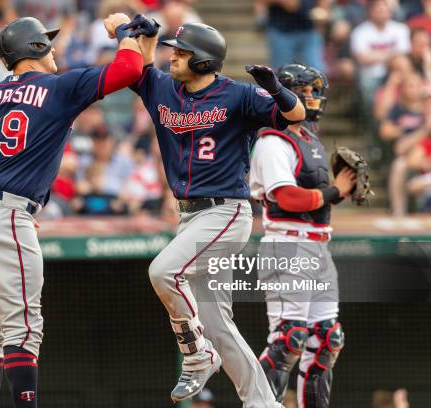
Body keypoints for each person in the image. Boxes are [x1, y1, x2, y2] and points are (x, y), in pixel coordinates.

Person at [0, 15, 143, 408]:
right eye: (47, 42)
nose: (54, 48)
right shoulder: (56, 87)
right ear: (34, 48)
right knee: (23, 330)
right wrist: (125, 31)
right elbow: (130, 67)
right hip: (5, 214)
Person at [128, 16, 305, 405]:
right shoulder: (163, 88)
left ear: (204, 61)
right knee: (217, 325)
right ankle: (263, 402)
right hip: (190, 217)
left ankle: (196, 354)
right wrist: (143, 34)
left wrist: (276, 89)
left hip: (225, 213)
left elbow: (296, 116)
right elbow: (135, 68)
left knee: (163, 271)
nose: (172, 56)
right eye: (172, 49)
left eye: (181, 52)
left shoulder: (238, 95)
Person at [249, 63, 354, 407]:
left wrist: (340, 190)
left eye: (313, 90)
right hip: (287, 244)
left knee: (327, 339)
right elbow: (286, 197)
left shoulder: (310, 138)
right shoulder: (272, 139)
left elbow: (315, 202)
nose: (312, 97)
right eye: (304, 90)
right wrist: (335, 191)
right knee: (289, 340)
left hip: (317, 246)